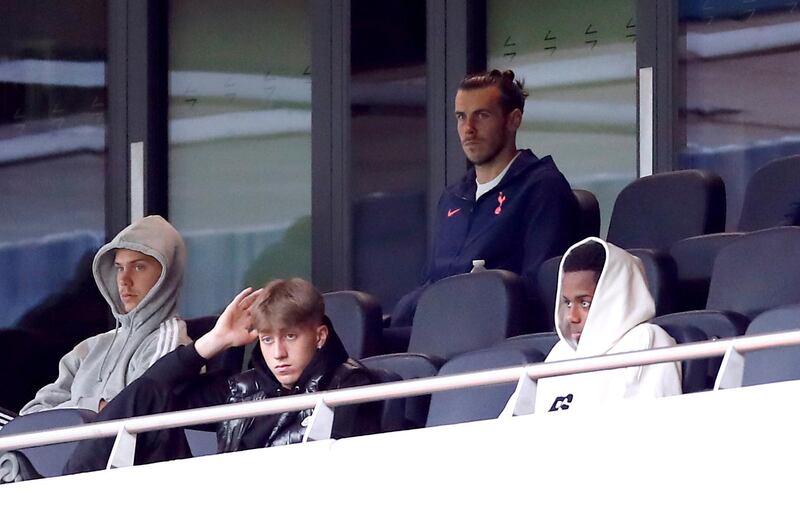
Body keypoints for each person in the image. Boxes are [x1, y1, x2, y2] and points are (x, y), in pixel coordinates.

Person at [58, 278, 380, 475]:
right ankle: (65, 493)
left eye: (291, 337)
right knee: (146, 397)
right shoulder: (243, 388)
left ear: (320, 336)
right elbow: (151, 392)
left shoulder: (350, 385)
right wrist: (214, 342)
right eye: (268, 339)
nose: (278, 353)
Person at [391, 69, 580, 327]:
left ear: (513, 120)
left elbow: (540, 290)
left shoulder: (543, 187)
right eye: (461, 117)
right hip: (435, 333)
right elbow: (430, 283)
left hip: (496, 337)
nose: (468, 129)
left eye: (482, 115)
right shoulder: (452, 197)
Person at [19, 215, 190, 415]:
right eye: (119, 268)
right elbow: (30, 415)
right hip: (66, 446)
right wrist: (95, 407)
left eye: (139, 267)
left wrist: (70, 411)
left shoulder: (170, 343)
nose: (124, 280)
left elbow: (133, 411)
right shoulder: (89, 348)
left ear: (167, 274)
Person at [534, 238, 682, 413]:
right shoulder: (559, 353)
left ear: (614, 298)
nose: (571, 317)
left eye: (584, 304)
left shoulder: (646, 340)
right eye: (567, 303)